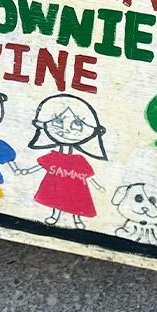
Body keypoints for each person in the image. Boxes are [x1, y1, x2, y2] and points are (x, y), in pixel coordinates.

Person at [18, 95, 108, 229]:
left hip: (76, 186)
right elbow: (41, 165)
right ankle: (55, 216)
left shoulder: (79, 159)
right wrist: (27, 170)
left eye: (77, 124)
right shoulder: (54, 156)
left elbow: (89, 176)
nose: (65, 129)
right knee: (57, 199)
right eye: (57, 122)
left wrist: (98, 186)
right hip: (56, 183)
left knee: (76, 203)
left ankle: (76, 218)